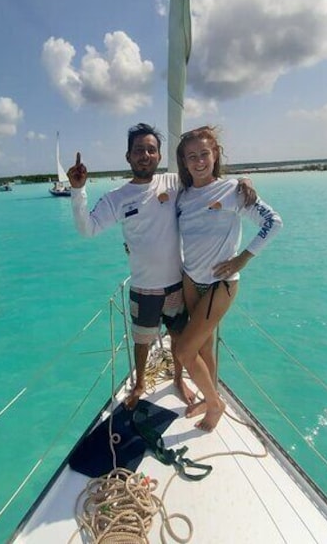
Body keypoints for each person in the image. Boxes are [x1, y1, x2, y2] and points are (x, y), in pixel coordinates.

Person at [67, 123, 257, 410]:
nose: (145, 154)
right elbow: (87, 229)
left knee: (181, 340)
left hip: (178, 283)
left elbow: (208, 178)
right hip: (143, 285)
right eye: (139, 150)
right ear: (128, 156)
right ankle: (140, 383)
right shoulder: (116, 197)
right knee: (141, 342)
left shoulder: (174, 182)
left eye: (151, 149)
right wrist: (78, 191)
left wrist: (244, 180)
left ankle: (179, 380)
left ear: (158, 156)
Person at [173, 125, 283, 431]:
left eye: (204, 154)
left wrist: (243, 258)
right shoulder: (182, 196)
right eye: (191, 156)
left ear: (215, 154)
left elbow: (273, 223)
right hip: (190, 280)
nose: (198, 161)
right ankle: (211, 395)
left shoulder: (234, 190)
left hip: (221, 283)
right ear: (183, 161)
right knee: (204, 348)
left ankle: (215, 405)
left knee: (184, 350)